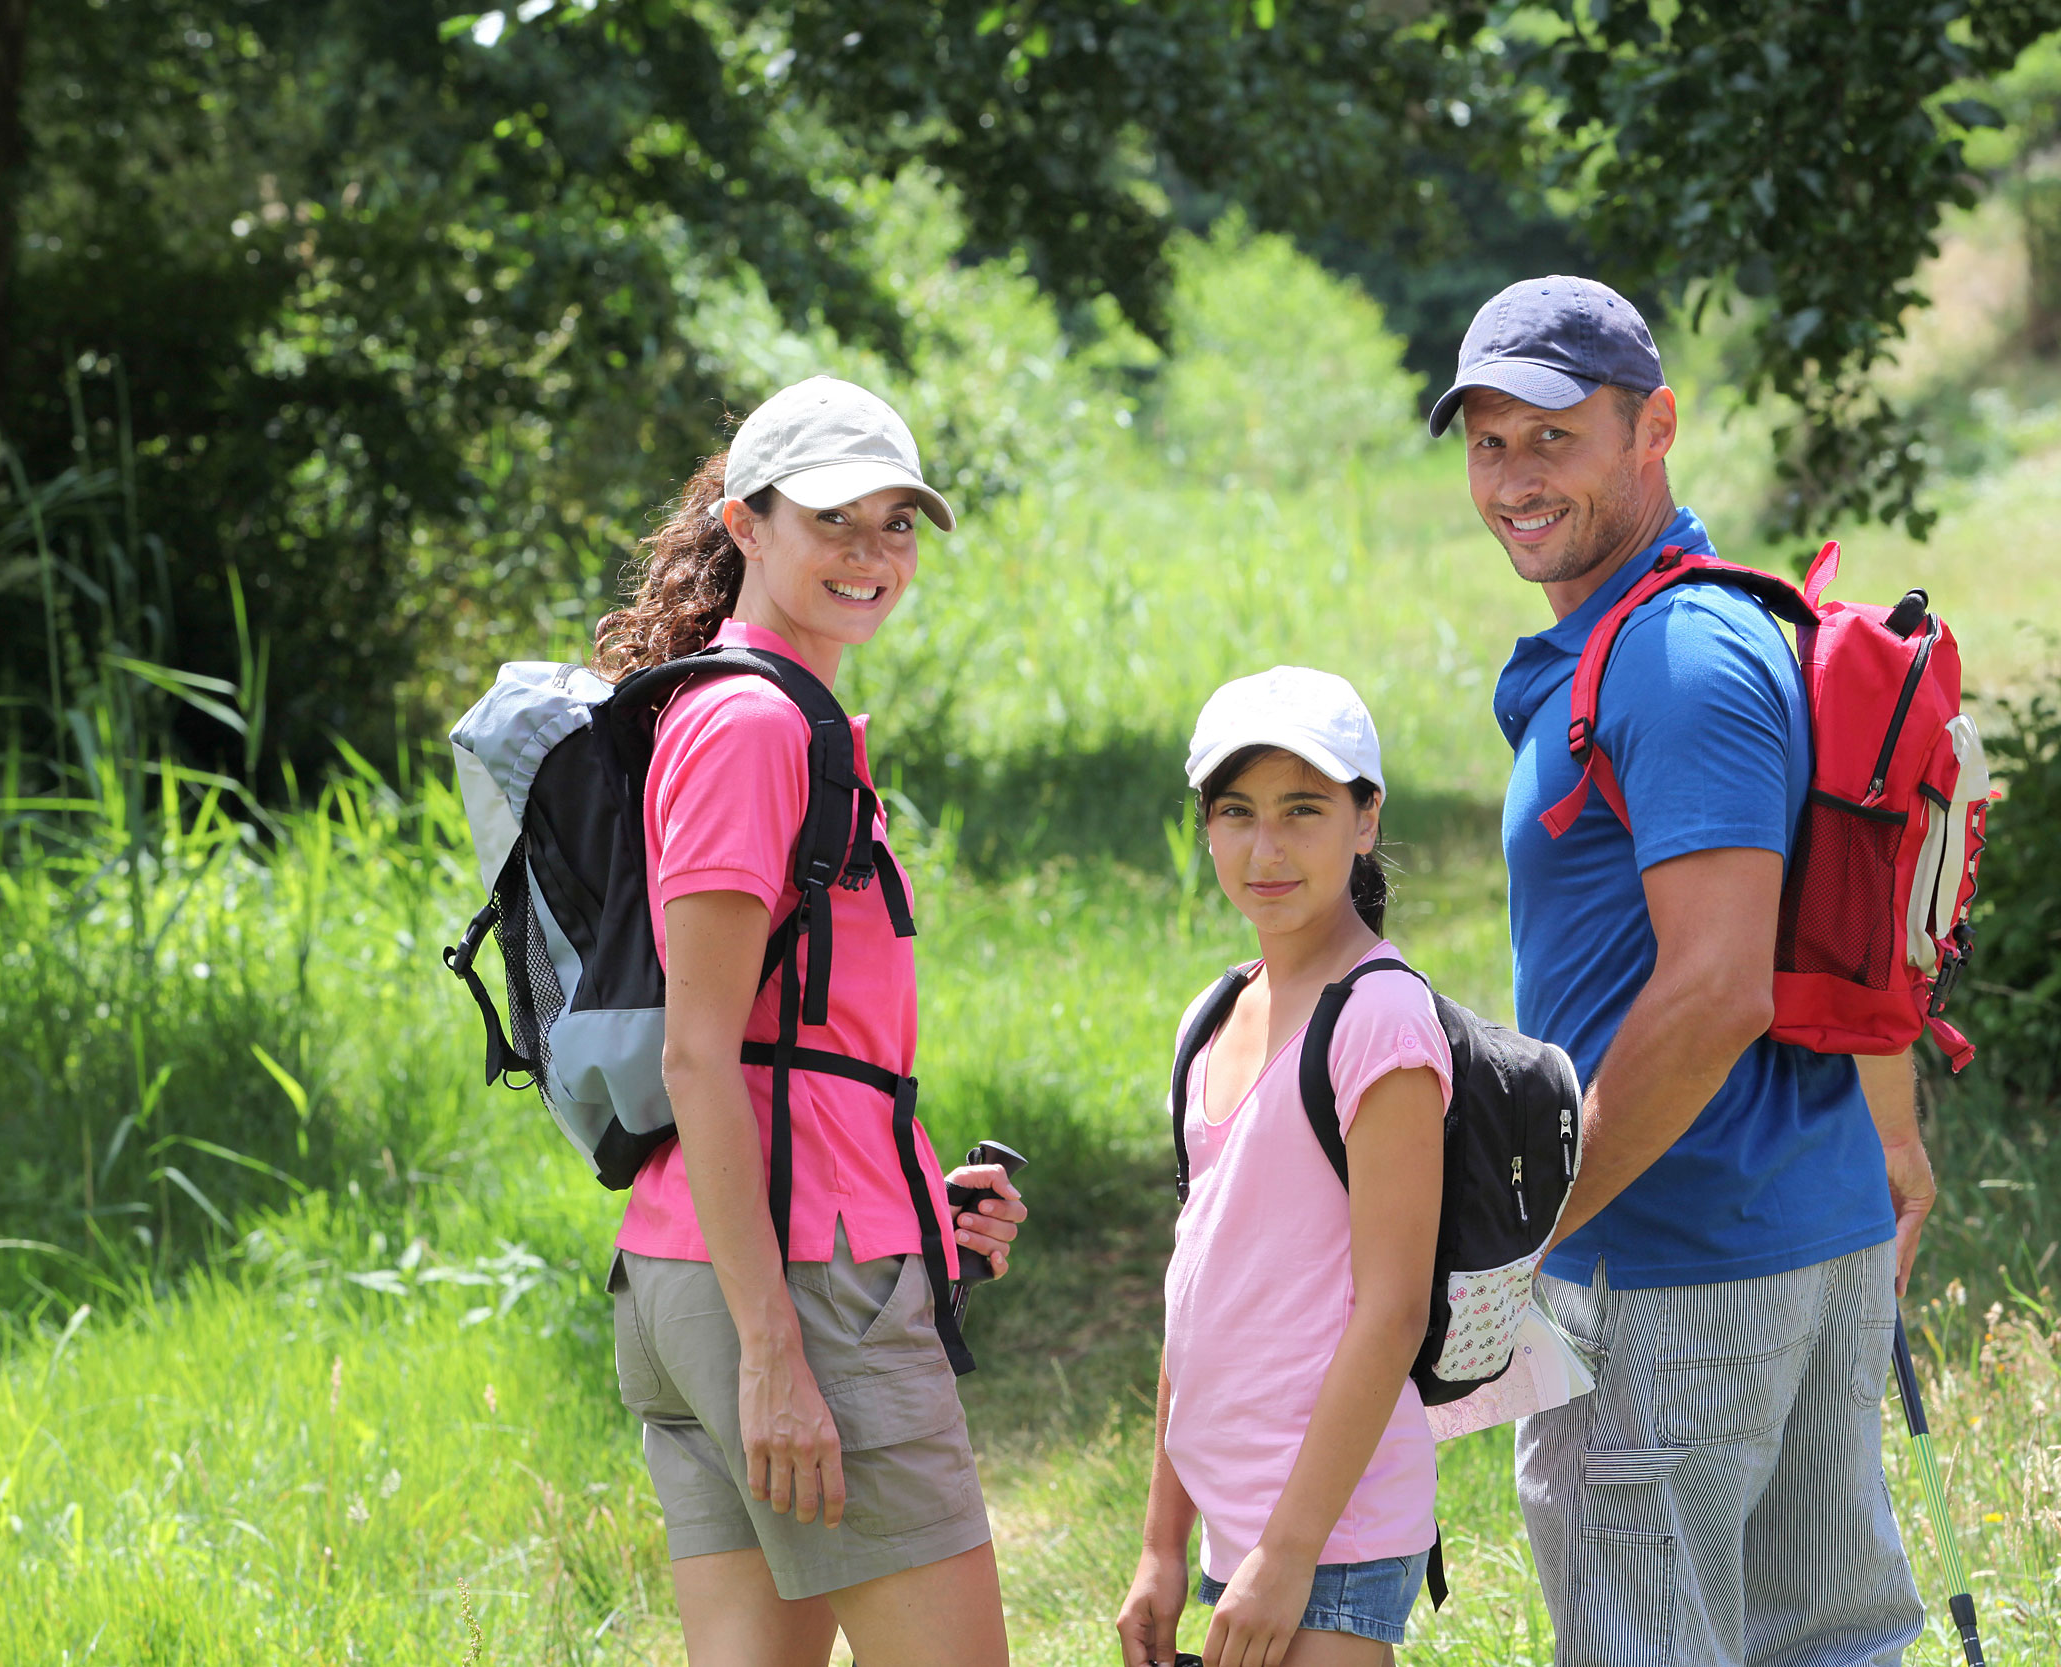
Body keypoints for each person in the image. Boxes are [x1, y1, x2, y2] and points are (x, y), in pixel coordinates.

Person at [1428, 278, 1933, 1665]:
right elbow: (1828, 912)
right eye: (1488, 442)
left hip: (1670, 1259)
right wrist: (1892, 1142)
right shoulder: (1683, 629)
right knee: (1826, 1640)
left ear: (1654, 426)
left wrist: (1531, 1226)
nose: (1515, 479)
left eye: (1553, 436)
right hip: (1798, 1232)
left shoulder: (1673, 658)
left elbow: (1719, 988)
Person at [588, 376, 1027, 1667]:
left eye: (897, 523)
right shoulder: (749, 723)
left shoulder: (774, 714)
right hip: (788, 1287)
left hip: (715, 1262)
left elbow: (802, 1047)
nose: (872, 553)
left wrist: (916, 1203)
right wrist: (776, 1351)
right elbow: (698, 1047)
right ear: (746, 524)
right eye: (834, 517)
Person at [1116, 668, 1451, 1667]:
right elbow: (1196, 1294)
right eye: (1237, 812)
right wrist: (1159, 1545)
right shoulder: (1216, 1011)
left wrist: (1289, 1549)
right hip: (1238, 1522)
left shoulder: (1379, 1017)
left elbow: (1393, 1310)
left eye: (1303, 809)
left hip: (1326, 1531)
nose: (1265, 848)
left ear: (1364, 818)